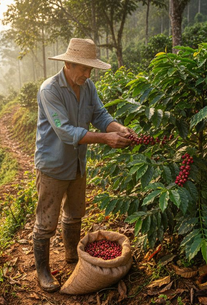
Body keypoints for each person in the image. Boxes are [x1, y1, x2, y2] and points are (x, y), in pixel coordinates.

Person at [33, 38, 133, 292]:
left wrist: (118, 129)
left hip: (77, 164)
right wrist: (106, 139)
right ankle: (43, 272)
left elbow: (100, 115)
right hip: (53, 166)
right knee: (46, 222)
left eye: (90, 70)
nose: (87, 75)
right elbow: (66, 132)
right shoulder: (50, 90)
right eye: (83, 69)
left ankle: (71, 257)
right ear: (68, 63)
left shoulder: (87, 87)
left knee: (75, 213)